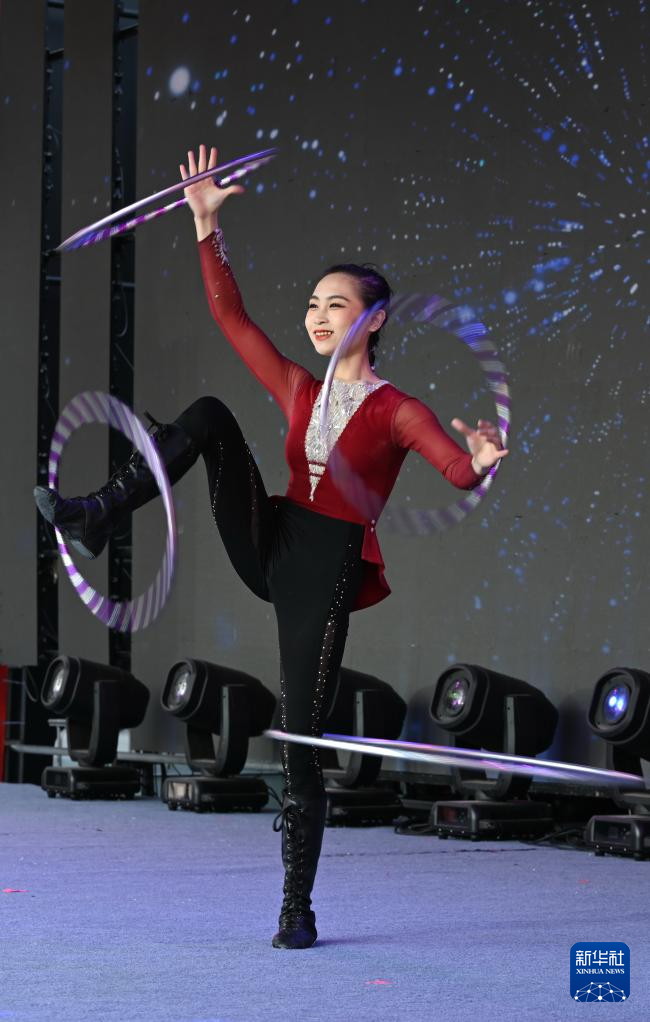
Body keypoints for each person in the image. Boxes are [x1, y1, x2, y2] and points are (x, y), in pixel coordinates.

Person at [34, 144, 508, 950]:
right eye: (313, 305)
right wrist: (206, 225)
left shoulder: (398, 410)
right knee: (211, 416)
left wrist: (484, 460)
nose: (317, 317)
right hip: (273, 534)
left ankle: (297, 906)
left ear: (375, 318)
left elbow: (456, 471)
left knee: (299, 746)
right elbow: (232, 319)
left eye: (336, 305)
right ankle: (98, 514)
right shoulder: (299, 388)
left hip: (324, 572)